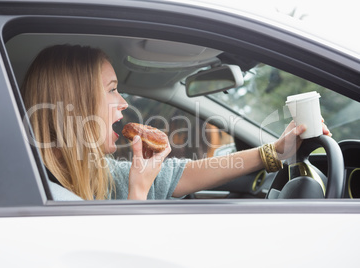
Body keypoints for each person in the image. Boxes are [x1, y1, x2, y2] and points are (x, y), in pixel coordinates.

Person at [21, 44, 331, 201]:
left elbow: (181, 173)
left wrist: (275, 152)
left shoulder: (94, 169)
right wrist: (138, 191)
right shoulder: (44, 194)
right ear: (76, 103)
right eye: (112, 89)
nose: (124, 103)